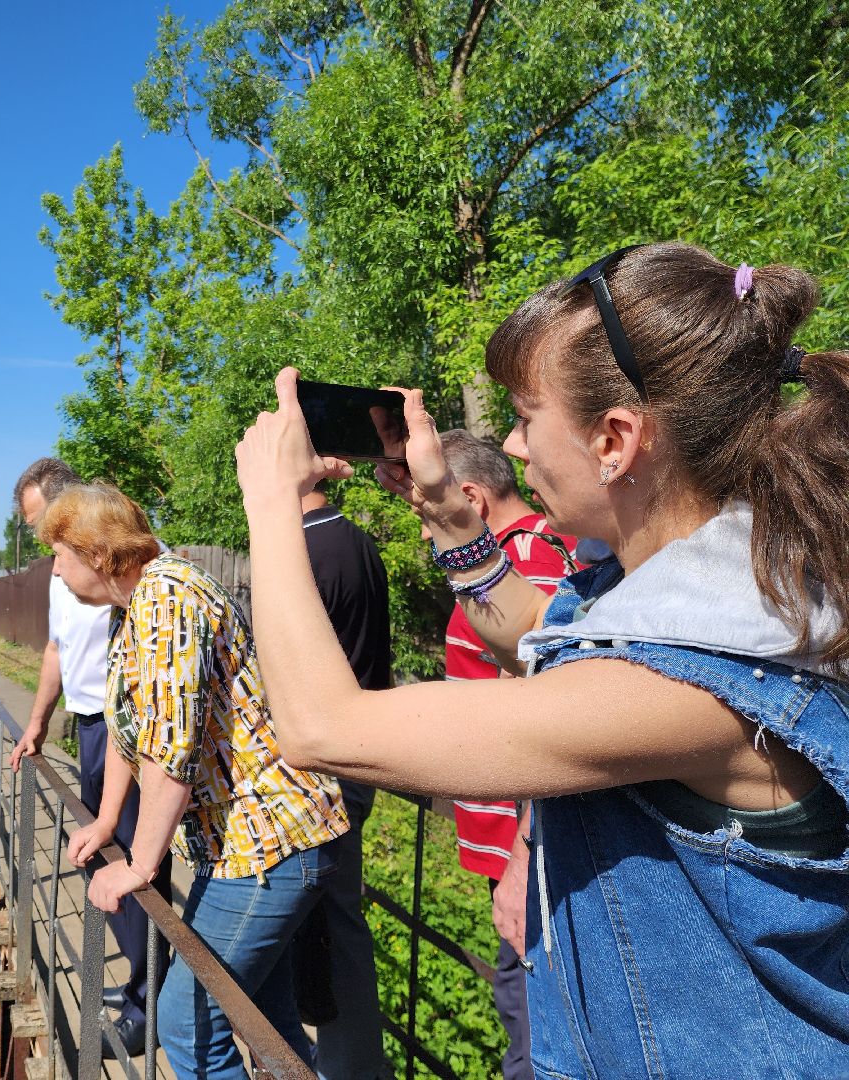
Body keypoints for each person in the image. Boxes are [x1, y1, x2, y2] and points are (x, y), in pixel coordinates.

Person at [235, 243, 849, 1077]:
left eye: (526, 418)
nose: (515, 448)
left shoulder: (698, 671)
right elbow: (528, 625)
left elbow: (321, 728)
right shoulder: (695, 586)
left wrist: (272, 504)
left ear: (615, 440)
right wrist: (444, 510)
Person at [48, 483, 348, 1080]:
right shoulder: (133, 609)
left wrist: (137, 864)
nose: (55, 570)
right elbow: (128, 732)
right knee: (270, 1026)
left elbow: (169, 753)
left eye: (61, 554)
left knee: (187, 1020)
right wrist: (109, 821)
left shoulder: (167, 602)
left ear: (98, 553)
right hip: (242, 843)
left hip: (270, 839)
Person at [7, 457, 169, 1056]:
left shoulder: (140, 580)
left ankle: (146, 1001)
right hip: (93, 726)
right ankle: (136, 983)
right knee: (106, 850)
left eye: (40, 521)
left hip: (129, 729)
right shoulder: (65, 567)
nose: (38, 541)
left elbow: (162, 721)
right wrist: (37, 723)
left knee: (132, 858)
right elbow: (56, 649)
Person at [432, 430, 579, 1080]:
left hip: (531, 848)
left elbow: (547, 720)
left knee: (532, 1021)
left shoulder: (530, 561)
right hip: (526, 844)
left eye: (430, 516)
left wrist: (525, 855)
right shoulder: (544, 548)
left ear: (470, 499)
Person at [295, 482, 390, 1080]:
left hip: (322, 772)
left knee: (330, 928)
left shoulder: (303, 554)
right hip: (355, 757)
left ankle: (349, 1069)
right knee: (332, 923)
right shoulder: (356, 541)